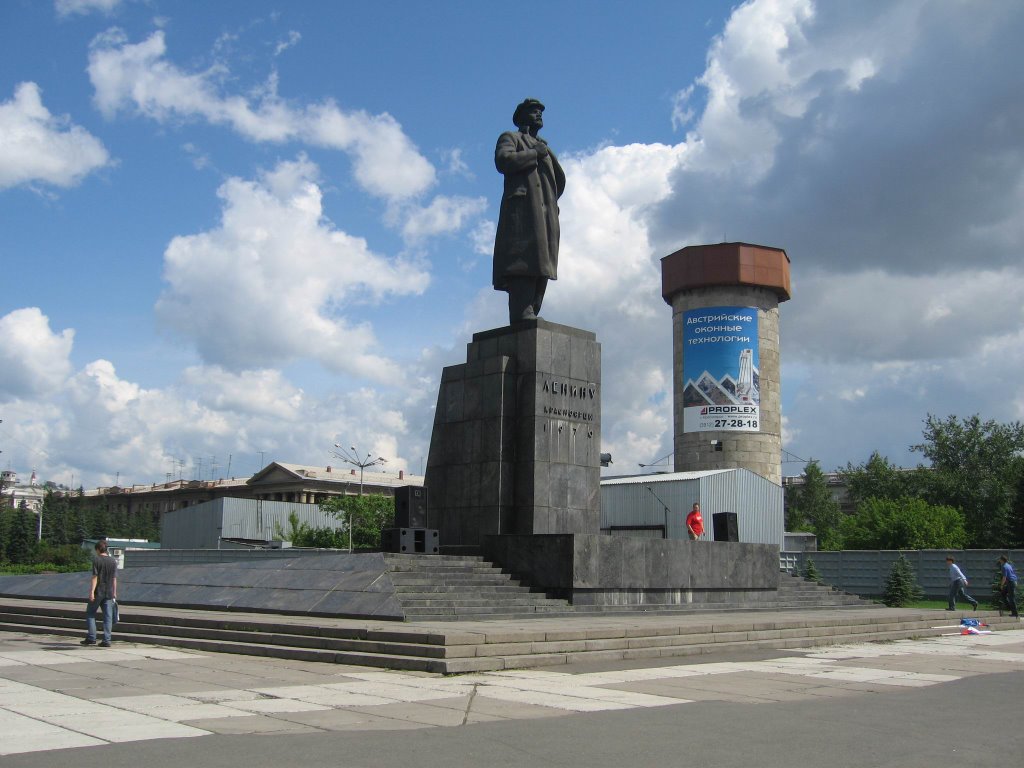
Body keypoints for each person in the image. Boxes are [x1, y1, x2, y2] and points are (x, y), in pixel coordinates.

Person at [493, 98, 566, 324]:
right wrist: (534, 153)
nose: (538, 114)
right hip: (524, 213)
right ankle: (522, 313)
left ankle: (532, 310)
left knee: (542, 265)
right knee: (524, 261)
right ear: (520, 115)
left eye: (540, 111)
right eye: (533, 111)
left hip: (545, 213)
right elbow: (503, 161)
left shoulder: (544, 145)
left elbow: (557, 181)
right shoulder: (511, 138)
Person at [83, 540, 117, 647]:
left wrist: (92, 592)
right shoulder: (113, 561)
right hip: (109, 592)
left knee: (90, 613)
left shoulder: (96, 560)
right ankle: (107, 640)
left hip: (99, 591)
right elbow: (114, 578)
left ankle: (92, 637)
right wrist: (115, 592)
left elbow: (95, 577)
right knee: (108, 616)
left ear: (98, 549)